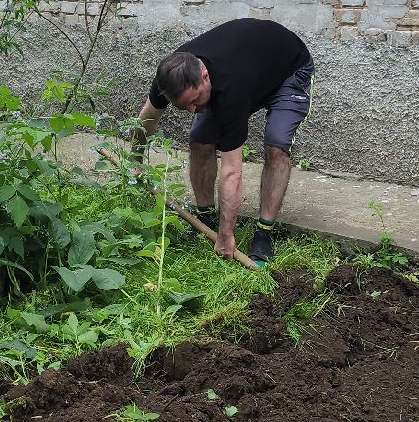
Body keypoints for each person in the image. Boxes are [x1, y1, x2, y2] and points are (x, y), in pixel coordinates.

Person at [132, 18, 314, 264]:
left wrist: (226, 235)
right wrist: (135, 164)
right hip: (251, 66)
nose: (192, 111)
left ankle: (263, 234)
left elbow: (232, 172)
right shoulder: (169, 79)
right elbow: (145, 122)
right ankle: (204, 219)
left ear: (205, 76)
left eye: (196, 100)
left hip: (289, 70)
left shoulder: (231, 89)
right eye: (184, 106)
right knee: (200, 139)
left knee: (276, 146)